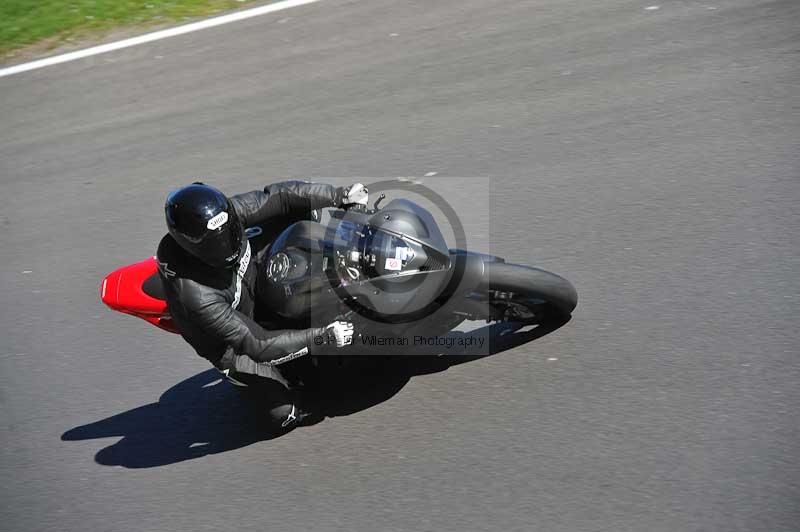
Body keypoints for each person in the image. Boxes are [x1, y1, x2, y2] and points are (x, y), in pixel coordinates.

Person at [156, 180, 369, 429]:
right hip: (235, 344)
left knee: (299, 212)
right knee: (283, 415)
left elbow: (279, 196)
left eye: (228, 232)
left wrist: (340, 195)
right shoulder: (196, 296)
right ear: (190, 248)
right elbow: (257, 344)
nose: (226, 244)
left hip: (253, 276)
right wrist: (322, 337)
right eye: (214, 243)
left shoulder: (229, 213)